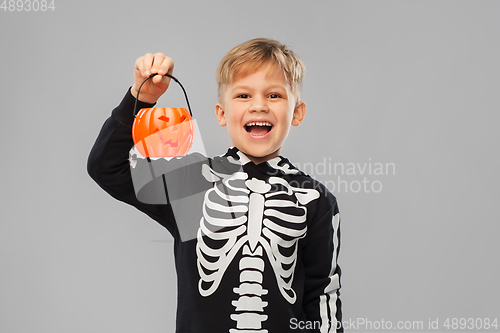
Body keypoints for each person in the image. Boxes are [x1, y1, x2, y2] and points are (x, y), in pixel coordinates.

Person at [88, 38, 342, 332]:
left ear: (297, 112)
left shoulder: (316, 199)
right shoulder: (192, 182)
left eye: (274, 96)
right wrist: (140, 98)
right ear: (221, 113)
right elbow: (107, 167)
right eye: (243, 96)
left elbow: (323, 298)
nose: (258, 106)